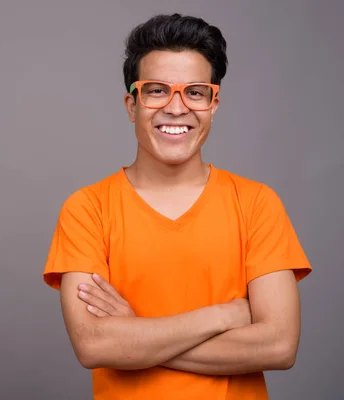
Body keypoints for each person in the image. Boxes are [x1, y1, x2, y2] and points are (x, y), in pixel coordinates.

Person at [41, 13, 312, 400]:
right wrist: (222, 316)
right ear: (131, 104)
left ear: (213, 104)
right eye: (157, 90)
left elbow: (279, 346)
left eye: (195, 92)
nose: (176, 107)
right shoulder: (87, 209)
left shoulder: (256, 204)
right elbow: (95, 346)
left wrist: (137, 335)